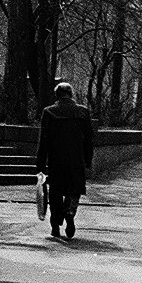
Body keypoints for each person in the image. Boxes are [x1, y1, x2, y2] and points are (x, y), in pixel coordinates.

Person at [35, 82, 95, 240]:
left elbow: (43, 141)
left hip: (56, 159)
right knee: (74, 190)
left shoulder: (49, 112)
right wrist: (88, 160)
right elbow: (88, 139)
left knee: (55, 193)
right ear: (71, 94)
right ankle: (69, 213)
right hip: (76, 159)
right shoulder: (83, 112)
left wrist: (40, 165)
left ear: (56, 95)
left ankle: (55, 224)